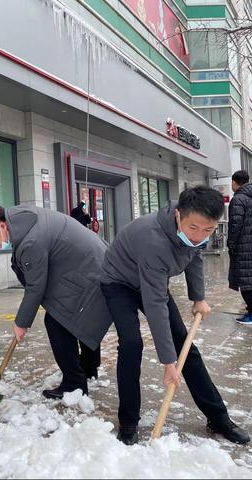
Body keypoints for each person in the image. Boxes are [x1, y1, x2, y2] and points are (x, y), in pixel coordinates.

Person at [100, 185, 250, 445]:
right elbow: (155, 303)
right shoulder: (153, 240)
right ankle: (128, 422)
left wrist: (198, 297)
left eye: (209, 230)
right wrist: (168, 362)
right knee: (132, 343)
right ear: (178, 215)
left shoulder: (194, 230)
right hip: (119, 283)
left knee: (185, 345)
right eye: (194, 228)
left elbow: (194, 257)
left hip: (150, 279)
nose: (199, 236)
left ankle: (218, 417)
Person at [0, 204, 109, 399]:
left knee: (57, 322)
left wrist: (21, 323)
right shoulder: (24, 218)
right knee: (77, 317)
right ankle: (88, 369)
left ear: (2, 226)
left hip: (90, 273)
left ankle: (74, 385)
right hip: (92, 266)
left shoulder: (30, 241)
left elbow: (35, 287)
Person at [227, 170, 252, 325]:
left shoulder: (239, 199)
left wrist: (232, 244)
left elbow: (235, 225)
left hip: (244, 246)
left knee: (245, 280)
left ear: (235, 182)